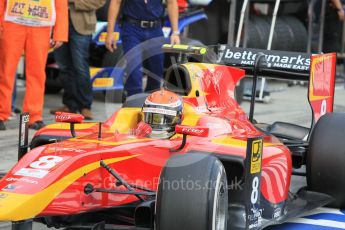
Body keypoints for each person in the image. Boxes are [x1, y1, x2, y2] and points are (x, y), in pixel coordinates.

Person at [0, 0, 68, 131]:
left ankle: (33, 117)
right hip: (12, 23)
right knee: (5, 71)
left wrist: (60, 33)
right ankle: (1, 114)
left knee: (37, 74)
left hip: (41, 26)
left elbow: (61, 4)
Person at [105, 0, 180, 99]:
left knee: (156, 72)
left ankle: (151, 105)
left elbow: (171, 3)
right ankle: (134, 103)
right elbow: (115, 2)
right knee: (134, 70)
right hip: (132, 28)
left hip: (155, 29)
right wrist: (110, 32)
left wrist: (175, 32)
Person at [49, 0, 106, 120]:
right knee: (64, 66)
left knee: (80, 67)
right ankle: (69, 105)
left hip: (82, 26)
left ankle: (85, 106)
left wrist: (73, 2)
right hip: (58, 25)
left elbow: (99, 2)